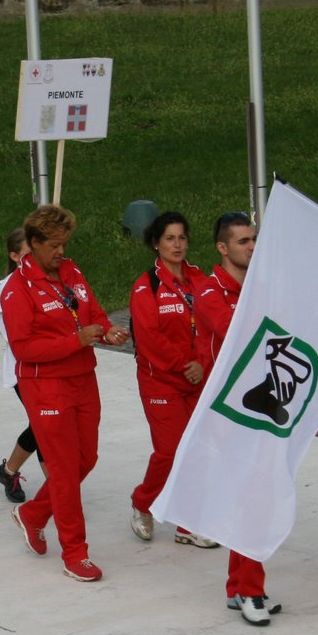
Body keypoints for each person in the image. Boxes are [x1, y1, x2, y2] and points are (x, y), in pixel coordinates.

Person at [0, 204, 129, 582]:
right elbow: (23, 348)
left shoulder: (71, 271)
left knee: (85, 460)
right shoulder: (16, 289)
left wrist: (107, 331)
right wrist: (76, 340)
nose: (61, 251)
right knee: (64, 470)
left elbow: (95, 314)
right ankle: (75, 552)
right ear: (34, 243)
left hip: (83, 380)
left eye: (65, 243)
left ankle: (34, 514)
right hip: (46, 387)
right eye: (54, 244)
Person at [195, 210, 281, 625]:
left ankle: (241, 587)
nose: (252, 246)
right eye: (244, 241)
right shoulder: (209, 291)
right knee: (252, 498)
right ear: (222, 248)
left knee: (257, 496)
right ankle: (250, 590)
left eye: (254, 239)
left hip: (262, 408)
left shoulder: (261, 290)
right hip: (232, 415)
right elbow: (241, 332)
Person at [127, 210, 216, 548]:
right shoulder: (145, 286)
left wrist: (202, 363)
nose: (177, 244)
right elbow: (149, 339)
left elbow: (212, 326)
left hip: (197, 377)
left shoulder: (199, 278)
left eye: (181, 237)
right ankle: (142, 501)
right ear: (155, 244)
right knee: (169, 451)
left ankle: (185, 524)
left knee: (195, 450)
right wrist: (185, 364)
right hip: (161, 381)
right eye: (169, 238)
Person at [0, 227, 37, 504]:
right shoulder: (7, 288)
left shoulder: (46, 281)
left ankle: (8, 471)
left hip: (50, 366)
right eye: (28, 254)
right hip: (24, 369)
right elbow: (15, 335)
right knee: (43, 426)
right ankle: (56, 490)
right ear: (14, 256)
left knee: (46, 426)